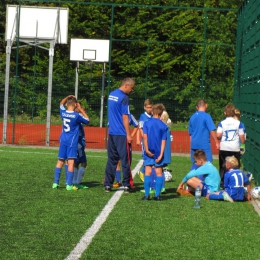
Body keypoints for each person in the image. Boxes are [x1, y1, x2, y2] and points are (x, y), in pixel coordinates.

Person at [104, 78, 135, 193]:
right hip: (121, 134)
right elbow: (125, 117)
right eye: (132, 88)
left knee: (112, 159)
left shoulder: (111, 94)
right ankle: (127, 184)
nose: (132, 90)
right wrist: (129, 134)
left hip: (112, 133)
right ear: (126, 85)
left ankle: (108, 184)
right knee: (125, 160)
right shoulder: (124, 98)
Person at [52, 95, 89, 190]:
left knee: (60, 161)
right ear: (75, 104)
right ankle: (69, 185)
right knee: (71, 162)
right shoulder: (76, 116)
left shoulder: (63, 112)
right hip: (72, 142)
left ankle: (55, 183)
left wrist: (68, 96)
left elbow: (61, 103)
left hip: (63, 140)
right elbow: (87, 120)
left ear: (67, 104)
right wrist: (81, 109)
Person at [142, 103, 168, 201]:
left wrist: (147, 149)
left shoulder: (147, 123)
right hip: (158, 152)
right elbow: (163, 141)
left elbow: (145, 137)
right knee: (159, 172)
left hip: (149, 151)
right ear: (161, 113)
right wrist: (161, 154)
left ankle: (147, 195)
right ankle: (157, 195)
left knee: (147, 172)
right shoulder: (164, 126)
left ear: (152, 112)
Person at [217, 104, 245, 187]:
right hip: (234, 148)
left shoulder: (222, 123)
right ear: (234, 113)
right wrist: (242, 145)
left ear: (225, 113)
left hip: (224, 147)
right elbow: (242, 136)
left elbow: (218, 135)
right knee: (235, 165)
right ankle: (234, 183)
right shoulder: (239, 123)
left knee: (223, 165)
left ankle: (223, 184)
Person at [189, 99, 219, 164]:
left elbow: (190, 134)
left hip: (194, 144)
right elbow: (212, 130)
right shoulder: (207, 116)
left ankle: (195, 174)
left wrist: (191, 146)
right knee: (208, 164)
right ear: (206, 105)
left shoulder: (192, 117)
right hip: (204, 144)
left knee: (196, 164)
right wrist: (217, 142)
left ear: (197, 107)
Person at [113, 113, 139, 188]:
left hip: (126, 142)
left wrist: (131, 136)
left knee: (127, 162)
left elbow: (136, 126)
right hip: (117, 141)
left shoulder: (130, 115)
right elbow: (110, 126)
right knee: (116, 161)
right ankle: (118, 181)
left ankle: (129, 181)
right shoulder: (115, 115)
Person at [136, 99, 153, 182]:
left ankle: (148, 173)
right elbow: (141, 129)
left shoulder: (153, 116)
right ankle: (142, 171)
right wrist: (141, 138)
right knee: (146, 156)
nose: (149, 109)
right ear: (144, 107)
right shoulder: (143, 116)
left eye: (151, 107)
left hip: (153, 141)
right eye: (148, 107)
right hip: (146, 141)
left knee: (152, 156)